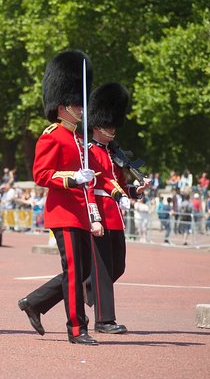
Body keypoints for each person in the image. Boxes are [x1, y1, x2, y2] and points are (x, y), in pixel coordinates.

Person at [17, 50, 107, 346]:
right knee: (73, 272)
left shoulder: (79, 139)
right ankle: (77, 328)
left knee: (81, 272)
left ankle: (35, 303)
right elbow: (41, 174)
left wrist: (94, 213)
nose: (80, 109)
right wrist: (70, 178)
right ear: (61, 107)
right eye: (74, 104)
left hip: (80, 214)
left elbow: (90, 182)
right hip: (62, 214)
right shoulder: (52, 136)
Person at [85, 82, 148, 334]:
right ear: (98, 126)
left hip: (115, 217)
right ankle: (104, 320)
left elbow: (120, 186)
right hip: (100, 215)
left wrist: (135, 191)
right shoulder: (88, 151)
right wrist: (94, 217)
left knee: (117, 267)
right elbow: (90, 186)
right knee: (101, 271)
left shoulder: (113, 154)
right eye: (109, 125)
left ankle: (55, 296)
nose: (113, 129)